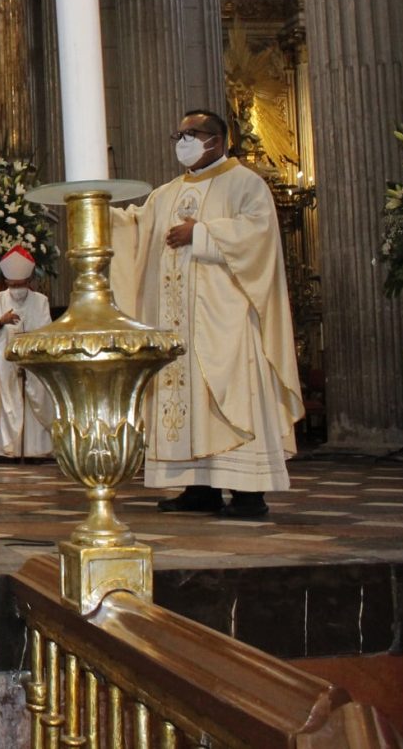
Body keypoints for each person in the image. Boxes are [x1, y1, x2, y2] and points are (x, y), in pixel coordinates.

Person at [110, 110, 302, 518]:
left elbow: (259, 235)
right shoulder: (167, 192)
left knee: (234, 395)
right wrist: (94, 214)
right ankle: (198, 488)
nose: (182, 141)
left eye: (190, 134)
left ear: (216, 139)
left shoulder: (245, 183)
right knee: (185, 399)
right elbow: (137, 230)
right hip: (176, 323)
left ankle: (249, 493)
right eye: (178, 134)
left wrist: (200, 233)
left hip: (226, 321)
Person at [0, 246, 55, 460]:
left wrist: (28, 344)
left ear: (29, 281)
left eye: (21, 284)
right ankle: (0, 449)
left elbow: (46, 329)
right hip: (3, 357)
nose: (17, 289)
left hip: (31, 357)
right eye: (13, 285)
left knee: (39, 387)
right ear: (6, 282)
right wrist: (0, 322)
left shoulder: (40, 300)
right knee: (1, 388)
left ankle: (34, 449)